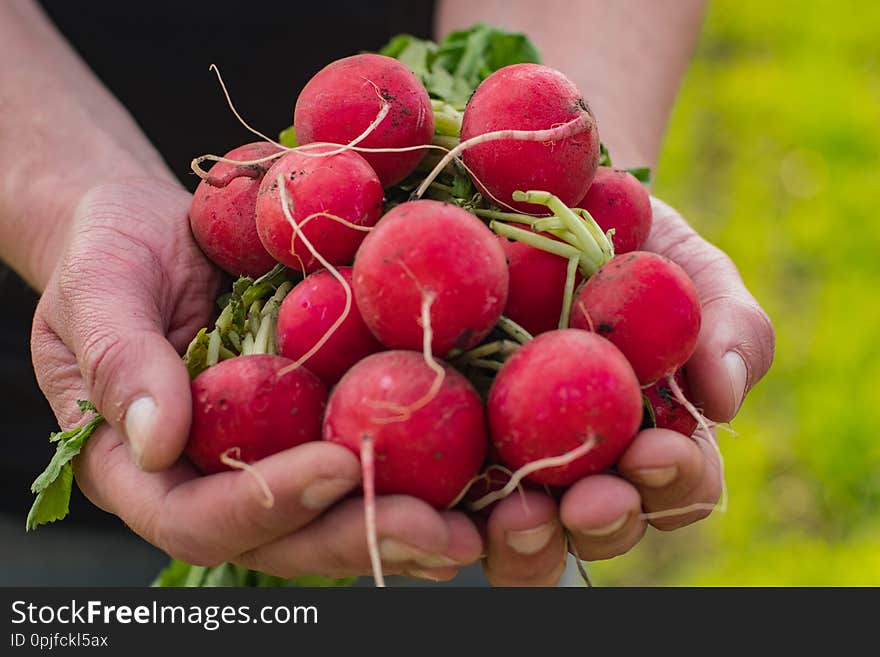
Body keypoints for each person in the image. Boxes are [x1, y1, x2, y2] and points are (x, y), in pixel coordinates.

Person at [0, 0, 774, 586]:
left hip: (466, 498)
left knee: (471, 548)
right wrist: (71, 200)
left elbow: (557, 131)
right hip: (55, 403)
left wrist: (586, 154)